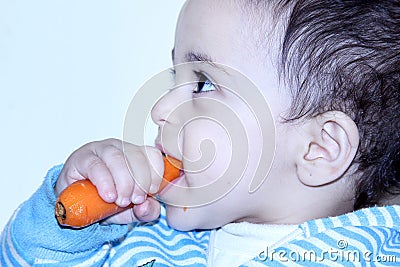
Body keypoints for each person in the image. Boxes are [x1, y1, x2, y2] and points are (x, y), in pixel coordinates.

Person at [2, 0, 400, 266]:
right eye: (175, 77)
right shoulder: (139, 241)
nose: (160, 110)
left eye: (203, 84)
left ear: (319, 147)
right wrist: (71, 220)